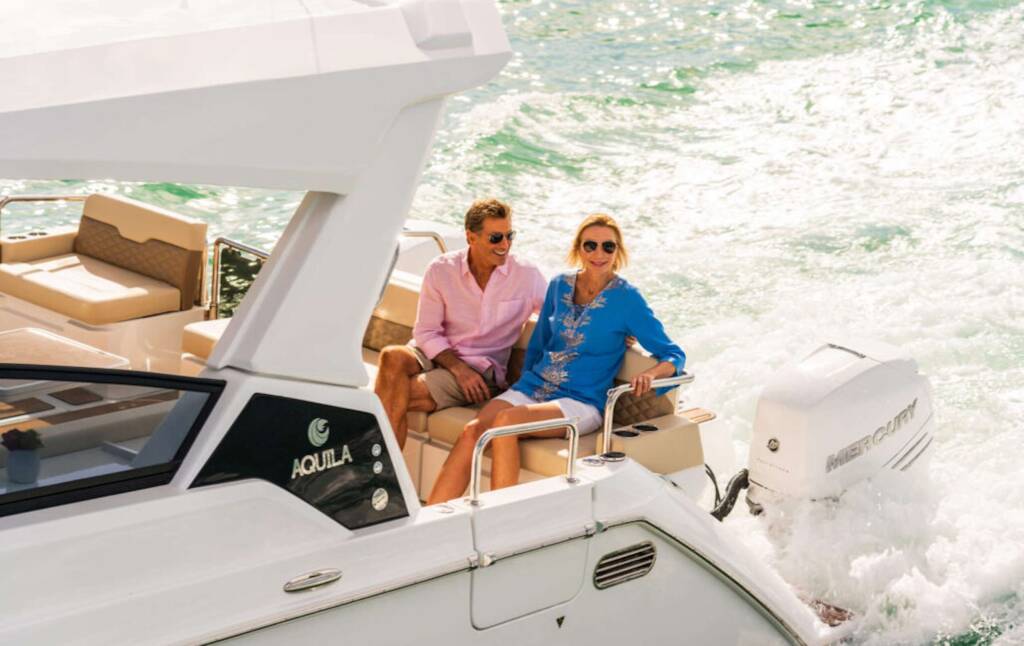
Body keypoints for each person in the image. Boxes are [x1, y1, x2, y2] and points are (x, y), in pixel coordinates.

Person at [427, 213, 685, 504]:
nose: (599, 253)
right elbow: (539, 343)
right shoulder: (559, 285)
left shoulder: (628, 300)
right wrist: (519, 387)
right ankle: (433, 518)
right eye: (590, 245)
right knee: (473, 430)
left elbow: (673, 354)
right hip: (534, 388)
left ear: (618, 251)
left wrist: (651, 374)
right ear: (578, 248)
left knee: (505, 422)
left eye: (608, 246)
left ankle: (499, 519)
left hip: (581, 401)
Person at [374, 198, 547, 448]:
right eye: (496, 238)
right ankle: (382, 466)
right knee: (391, 356)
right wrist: (457, 368)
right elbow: (426, 332)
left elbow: (560, 314)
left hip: (480, 368)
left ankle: (378, 467)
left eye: (510, 235)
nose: (505, 245)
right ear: (470, 237)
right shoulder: (441, 269)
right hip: (438, 354)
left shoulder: (526, 274)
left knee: (393, 393)